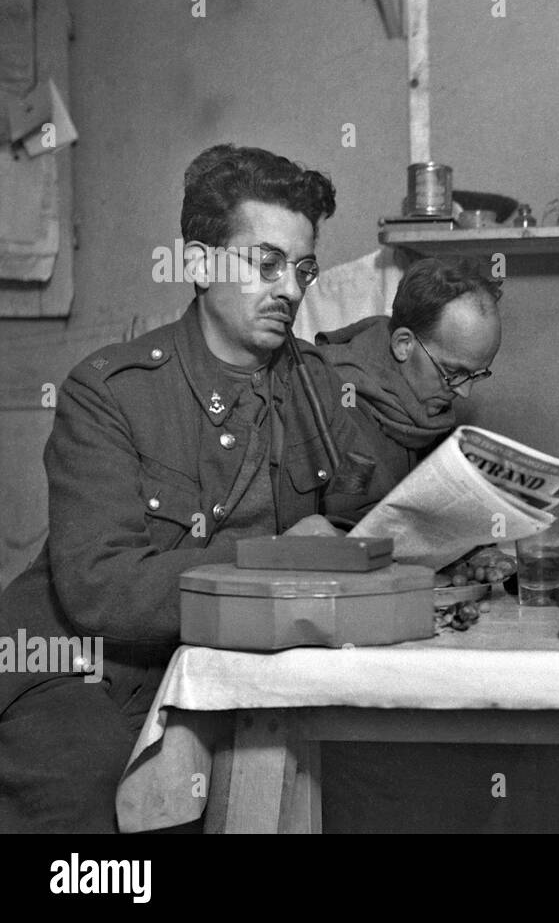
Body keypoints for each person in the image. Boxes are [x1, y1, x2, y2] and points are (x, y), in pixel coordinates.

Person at [0, 144, 385, 832]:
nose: (291, 290)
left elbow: (354, 524)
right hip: (87, 667)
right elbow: (101, 588)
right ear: (201, 265)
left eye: (302, 269)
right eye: (266, 264)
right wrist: (274, 557)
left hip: (225, 665)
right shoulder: (110, 390)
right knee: (96, 793)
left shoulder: (320, 385)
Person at [313, 256, 502, 487]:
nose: (464, 392)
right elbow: (346, 515)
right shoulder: (339, 400)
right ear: (404, 344)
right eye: (453, 371)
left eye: (476, 375)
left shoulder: (426, 412)